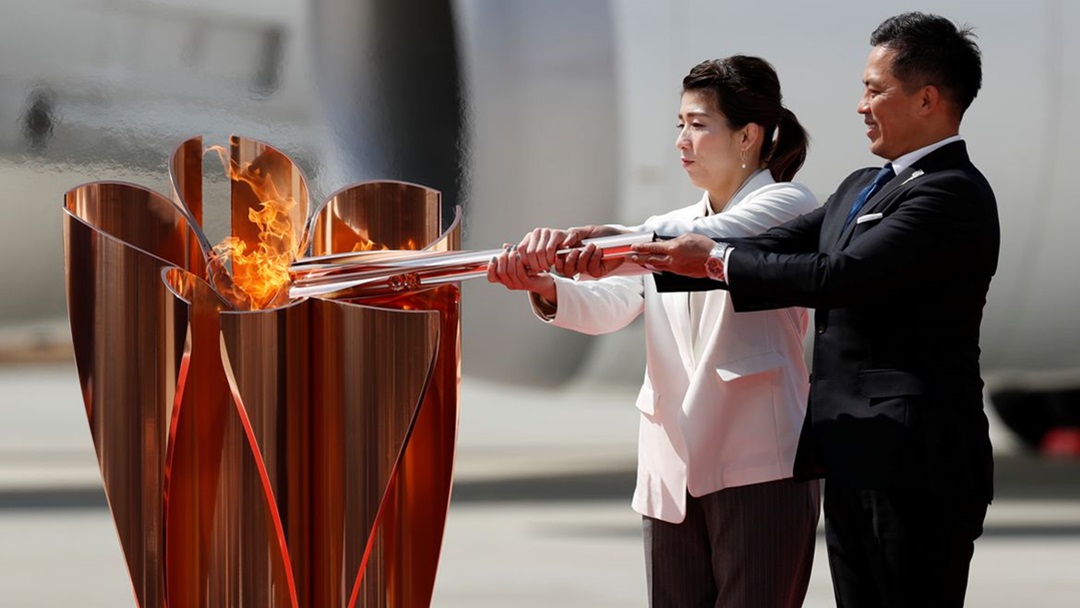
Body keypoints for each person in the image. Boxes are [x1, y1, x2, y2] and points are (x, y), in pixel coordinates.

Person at [631, 13, 999, 607]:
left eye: (875, 89)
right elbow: (766, 246)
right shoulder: (862, 186)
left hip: (918, 464)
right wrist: (642, 253)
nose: (860, 105)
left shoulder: (950, 193)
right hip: (852, 454)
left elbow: (842, 277)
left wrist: (713, 262)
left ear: (928, 98)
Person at [488, 56, 821, 607]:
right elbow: (612, 305)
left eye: (698, 124)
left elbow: (697, 243)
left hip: (761, 465)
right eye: (679, 125)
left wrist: (597, 241)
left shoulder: (786, 205)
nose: (682, 141)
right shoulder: (664, 227)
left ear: (748, 136)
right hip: (672, 471)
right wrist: (544, 286)